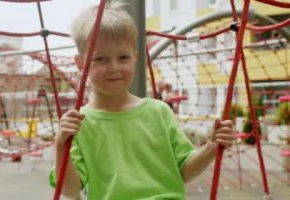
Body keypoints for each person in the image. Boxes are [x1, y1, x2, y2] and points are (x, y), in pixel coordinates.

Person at [50, 2, 234, 199]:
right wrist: (61, 145)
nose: (114, 67)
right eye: (101, 59)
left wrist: (210, 148)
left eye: (123, 58)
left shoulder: (159, 112)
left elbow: (184, 172)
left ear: (135, 58)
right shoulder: (79, 123)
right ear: (80, 63)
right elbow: (70, 191)